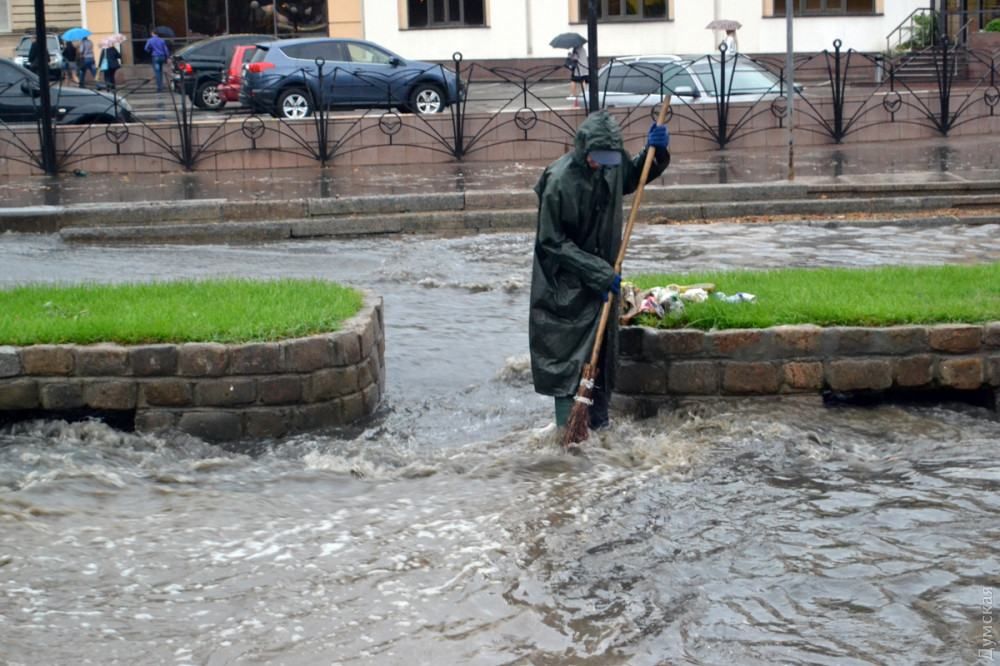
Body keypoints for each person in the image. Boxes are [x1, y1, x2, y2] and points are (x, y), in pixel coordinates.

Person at [529, 111, 671, 432]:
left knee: (601, 358)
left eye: (608, 160)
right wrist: (597, 272)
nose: (601, 165)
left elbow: (633, 175)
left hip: (601, 280)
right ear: (583, 149)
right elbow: (551, 242)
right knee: (568, 362)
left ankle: (599, 425)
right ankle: (570, 436)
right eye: (596, 159)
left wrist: (656, 153)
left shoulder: (611, 164)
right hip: (564, 286)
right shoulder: (559, 182)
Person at [566, 44, 588, 108]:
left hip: (578, 68)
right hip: (584, 67)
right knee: (583, 80)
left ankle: (572, 94)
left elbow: (575, 58)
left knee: (573, 80)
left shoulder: (576, 49)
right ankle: (584, 94)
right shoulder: (583, 49)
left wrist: (570, 55)